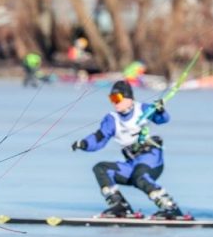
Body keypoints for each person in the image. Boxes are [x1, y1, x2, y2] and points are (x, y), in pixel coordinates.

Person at [70, 80, 190, 220]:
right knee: (101, 168)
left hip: (151, 158)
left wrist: (160, 110)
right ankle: (120, 206)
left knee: (140, 176)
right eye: (111, 98)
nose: (114, 102)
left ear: (128, 98)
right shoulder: (112, 119)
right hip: (132, 163)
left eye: (117, 98)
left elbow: (162, 119)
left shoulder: (143, 109)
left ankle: (170, 207)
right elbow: (99, 138)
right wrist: (84, 144)